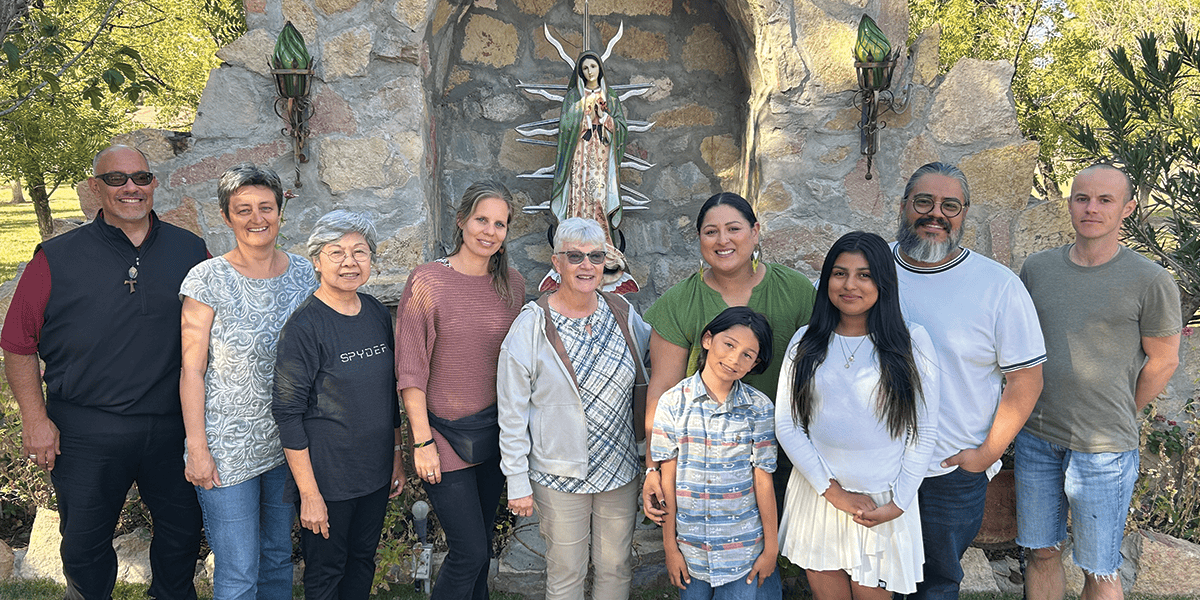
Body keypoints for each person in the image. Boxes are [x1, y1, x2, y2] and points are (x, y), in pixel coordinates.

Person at [1, 145, 207, 600]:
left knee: (182, 534)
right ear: (95, 188)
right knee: (85, 543)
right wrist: (35, 420)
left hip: (173, 425)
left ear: (153, 184)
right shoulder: (54, 258)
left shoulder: (191, 250)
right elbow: (17, 344)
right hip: (85, 428)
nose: (130, 188)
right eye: (116, 179)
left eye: (141, 177)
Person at [1017, 163, 1180, 600]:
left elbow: (1163, 361)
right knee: (1042, 553)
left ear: (1127, 208)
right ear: (1069, 204)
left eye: (1105, 200)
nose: (1091, 208)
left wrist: (1121, 410)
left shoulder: (1150, 280)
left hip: (1104, 449)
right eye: (1082, 198)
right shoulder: (1037, 269)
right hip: (1036, 436)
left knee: (1100, 570)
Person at [890, 162, 1045, 599]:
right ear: (904, 206)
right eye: (924, 201)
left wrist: (986, 454)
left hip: (948, 471)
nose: (935, 213)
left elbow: (1026, 380)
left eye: (949, 205)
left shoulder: (997, 286)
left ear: (964, 214)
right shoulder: (868, 269)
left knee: (936, 584)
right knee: (873, 580)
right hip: (874, 465)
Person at [775, 231, 940, 598]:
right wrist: (833, 492)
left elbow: (923, 430)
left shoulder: (911, 343)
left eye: (864, 275)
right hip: (819, 495)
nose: (850, 285)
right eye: (839, 273)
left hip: (881, 502)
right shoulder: (805, 342)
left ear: (883, 282)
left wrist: (899, 501)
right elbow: (787, 425)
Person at [180, 163, 317, 600]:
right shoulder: (207, 279)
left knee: (277, 557)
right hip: (225, 446)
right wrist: (197, 448)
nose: (257, 218)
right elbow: (191, 369)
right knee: (238, 570)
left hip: (284, 445)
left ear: (280, 212)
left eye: (266, 207)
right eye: (243, 209)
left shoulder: (305, 275)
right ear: (227, 216)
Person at [497, 217, 650, 600]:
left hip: (619, 469)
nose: (586, 265)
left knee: (615, 567)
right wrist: (517, 480)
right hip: (558, 474)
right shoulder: (531, 325)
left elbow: (658, 360)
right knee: (566, 573)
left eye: (596, 256)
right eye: (575, 256)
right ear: (556, 262)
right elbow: (512, 412)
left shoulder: (623, 313)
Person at [642, 192, 816, 523]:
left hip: (786, 453)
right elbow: (662, 388)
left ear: (755, 231)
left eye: (733, 229)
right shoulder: (679, 303)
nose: (723, 240)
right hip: (705, 463)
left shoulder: (795, 291)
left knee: (787, 550)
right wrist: (654, 465)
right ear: (699, 239)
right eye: (711, 231)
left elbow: (820, 372)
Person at [395, 180, 525, 600]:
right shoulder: (428, 281)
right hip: (443, 435)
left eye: (500, 224)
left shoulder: (514, 287)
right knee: (468, 552)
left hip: (494, 434)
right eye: (481, 219)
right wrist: (422, 441)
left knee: (481, 549)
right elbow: (410, 369)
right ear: (461, 221)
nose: (489, 231)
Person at [272, 210, 406, 600]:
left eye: (359, 252)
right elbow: (287, 412)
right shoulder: (303, 327)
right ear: (316, 261)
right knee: (326, 572)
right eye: (336, 252)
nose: (350, 261)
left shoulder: (377, 314)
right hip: (328, 479)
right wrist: (309, 493)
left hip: (375, 472)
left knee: (362, 561)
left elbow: (387, 394)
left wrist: (396, 455)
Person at [652, 306, 781, 600]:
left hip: (743, 552)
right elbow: (667, 480)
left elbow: (763, 481)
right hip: (691, 551)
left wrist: (770, 548)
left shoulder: (758, 408)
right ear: (708, 339)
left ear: (754, 364)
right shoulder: (673, 403)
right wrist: (671, 549)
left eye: (748, 354)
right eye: (729, 345)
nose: (734, 359)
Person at [551, 50, 628, 250]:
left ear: (600, 69)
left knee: (598, 197)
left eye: (593, 66)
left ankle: (601, 245)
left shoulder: (609, 96)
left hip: (601, 155)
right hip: (579, 154)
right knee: (578, 195)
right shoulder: (574, 97)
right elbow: (565, 126)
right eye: (585, 68)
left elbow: (621, 127)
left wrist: (604, 118)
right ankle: (574, 246)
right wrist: (582, 116)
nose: (589, 71)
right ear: (580, 72)